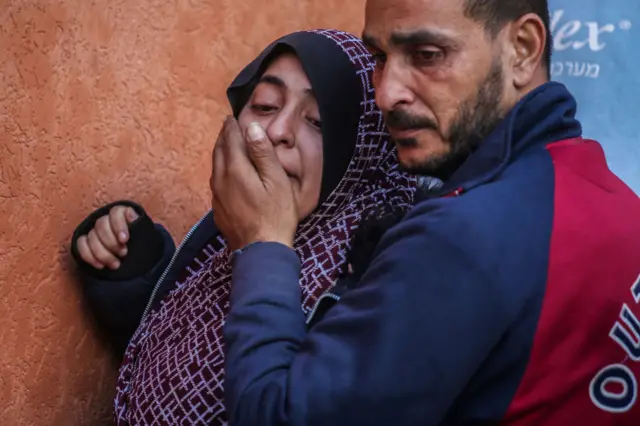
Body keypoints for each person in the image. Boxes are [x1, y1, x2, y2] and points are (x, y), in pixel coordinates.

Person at [211, 1, 640, 425]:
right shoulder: (614, 200)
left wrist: (262, 242)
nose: (385, 93)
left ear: (522, 49)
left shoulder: (463, 236)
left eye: (427, 56)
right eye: (379, 57)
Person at [69, 29, 417, 424]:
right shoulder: (229, 227)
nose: (275, 131)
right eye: (266, 104)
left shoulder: (369, 292)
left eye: (318, 121)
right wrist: (136, 267)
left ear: (363, 153)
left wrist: (262, 245)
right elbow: (195, 353)